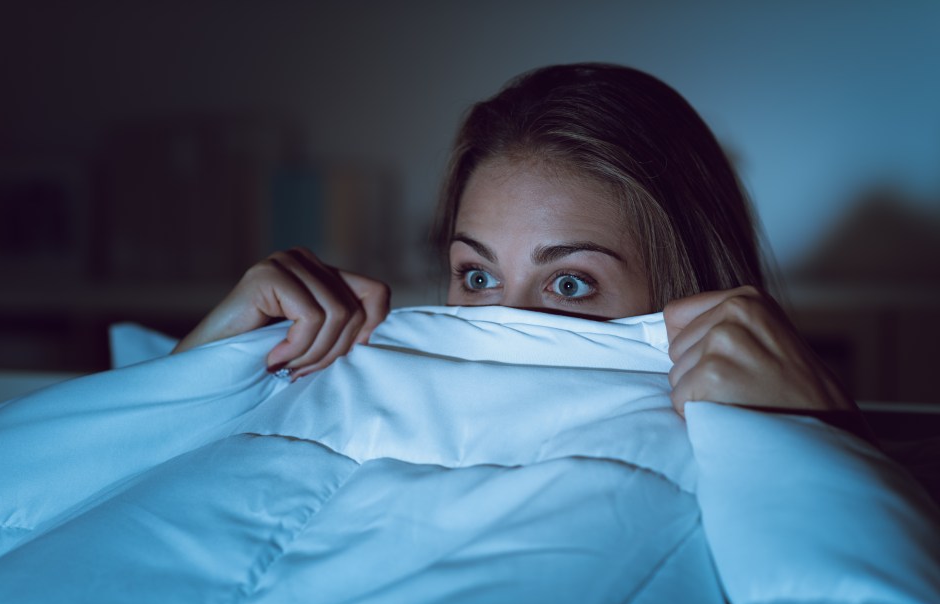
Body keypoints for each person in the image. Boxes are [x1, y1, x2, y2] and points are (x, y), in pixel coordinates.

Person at [173, 63, 856, 419]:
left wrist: (822, 445)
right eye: (476, 276)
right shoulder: (344, 387)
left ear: (690, 291)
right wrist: (200, 370)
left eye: (569, 284)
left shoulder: (761, 436)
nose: (504, 321)